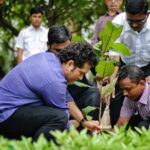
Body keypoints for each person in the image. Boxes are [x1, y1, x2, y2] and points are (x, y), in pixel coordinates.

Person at [0, 42, 100, 141]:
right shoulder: (54, 80)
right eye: (81, 73)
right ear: (70, 64)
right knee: (60, 118)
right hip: (5, 116)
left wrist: (83, 122)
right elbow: (63, 121)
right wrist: (81, 140)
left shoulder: (50, 59)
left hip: (12, 110)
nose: (80, 78)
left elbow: (66, 98)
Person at [109, 0, 150, 127]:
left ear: (147, 14)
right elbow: (114, 52)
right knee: (115, 101)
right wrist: (112, 79)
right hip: (125, 67)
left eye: (139, 21)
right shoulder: (117, 22)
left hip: (147, 66)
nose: (134, 25)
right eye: (130, 20)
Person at [47, 25, 100, 121]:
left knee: (94, 94)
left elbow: (94, 66)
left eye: (66, 49)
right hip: (59, 100)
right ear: (49, 46)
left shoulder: (78, 52)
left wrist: (100, 73)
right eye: (58, 50)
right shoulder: (45, 62)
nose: (62, 54)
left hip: (80, 96)